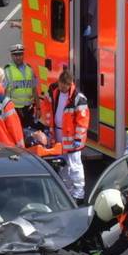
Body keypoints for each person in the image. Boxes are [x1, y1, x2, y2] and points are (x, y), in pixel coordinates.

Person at [48, 69, 89, 202]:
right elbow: (47, 106)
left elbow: (82, 122)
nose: (62, 87)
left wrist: (78, 139)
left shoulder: (78, 98)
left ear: (70, 84)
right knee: (62, 164)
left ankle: (79, 194)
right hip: (59, 134)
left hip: (71, 138)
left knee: (75, 165)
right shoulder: (55, 92)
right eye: (61, 85)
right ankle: (67, 191)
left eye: (65, 85)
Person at [3, 44, 39, 128]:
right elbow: (3, 92)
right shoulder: (7, 71)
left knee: (29, 133)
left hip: (29, 109)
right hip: (13, 109)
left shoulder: (30, 69)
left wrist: (38, 108)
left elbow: (34, 90)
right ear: (11, 56)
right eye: (15, 55)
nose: (18, 57)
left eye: (20, 54)